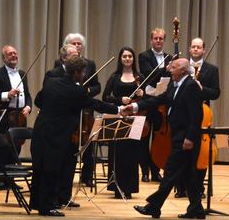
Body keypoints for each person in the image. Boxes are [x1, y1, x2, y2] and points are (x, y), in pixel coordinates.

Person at [30, 56, 119, 216]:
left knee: (40, 168)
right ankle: (47, 207)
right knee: (52, 170)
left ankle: (37, 203)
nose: (84, 75)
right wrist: (119, 110)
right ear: (77, 72)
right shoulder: (76, 90)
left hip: (40, 130)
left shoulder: (51, 82)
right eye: (83, 72)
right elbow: (96, 105)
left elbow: (38, 101)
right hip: (57, 134)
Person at [124, 58, 205, 219]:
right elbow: (158, 100)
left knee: (170, 172)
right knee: (188, 175)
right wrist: (135, 106)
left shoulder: (191, 86)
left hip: (185, 139)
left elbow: (197, 116)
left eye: (173, 67)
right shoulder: (174, 85)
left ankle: (154, 206)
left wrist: (190, 138)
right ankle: (196, 209)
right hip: (176, 135)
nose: (170, 70)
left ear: (183, 70)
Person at [174, 37, 221, 198]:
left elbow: (216, 93)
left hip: (201, 115)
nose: (195, 49)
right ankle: (181, 187)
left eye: (198, 47)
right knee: (181, 151)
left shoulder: (212, 69)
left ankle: (198, 187)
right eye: (193, 47)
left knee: (200, 152)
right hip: (182, 114)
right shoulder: (182, 66)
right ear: (189, 49)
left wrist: (201, 89)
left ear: (204, 50)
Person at [102, 47, 145, 199]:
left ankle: (129, 188)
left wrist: (142, 93)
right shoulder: (115, 77)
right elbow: (105, 97)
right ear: (121, 59)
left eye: (130, 56)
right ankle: (117, 187)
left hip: (134, 118)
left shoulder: (140, 77)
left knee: (132, 155)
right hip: (119, 117)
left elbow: (147, 100)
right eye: (124, 56)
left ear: (133, 59)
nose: (127, 59)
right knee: (117, 153)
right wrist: (120, 100)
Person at [64, 33, 101, 187]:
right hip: (69, 110)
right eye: (74, 43)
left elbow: (97, 86)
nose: (77, 46)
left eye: (79, 44)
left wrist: (87, 91)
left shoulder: (90, 64)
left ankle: (87, 176)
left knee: (88, 144)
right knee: (69, 143)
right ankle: (66, 175)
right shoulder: (61, 64)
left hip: (86, 110)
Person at [138, 28, 171, 182]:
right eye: (156, 38)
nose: (158, 41)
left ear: (164, 40)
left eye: (161, 38)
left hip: (162, 103)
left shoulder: (169, 57)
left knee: (159, 140)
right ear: (151, 40)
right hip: (148, 101)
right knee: (144, 138)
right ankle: (145, 171)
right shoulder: (144, 56)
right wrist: (165, 69)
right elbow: (150, 76)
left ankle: (156, 171)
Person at [0, 45, 33, 135]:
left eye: (15, 53)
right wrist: (7, 95)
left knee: (18, 143)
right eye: (10, 54)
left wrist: (28, 107)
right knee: (3, 143)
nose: (14, 55)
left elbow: (27, 95)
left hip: (20, 118)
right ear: (4, 58)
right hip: (4, 119)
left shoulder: (22, 74)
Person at [34, 43, 79, 109]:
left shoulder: (79, 74)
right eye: (74, 57)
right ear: (64, 58)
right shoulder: (52, 74)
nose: (77, 60)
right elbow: (45, 97)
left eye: (78, 57)